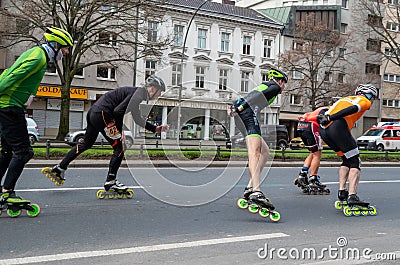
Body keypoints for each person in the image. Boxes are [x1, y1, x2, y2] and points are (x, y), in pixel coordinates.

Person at [44, 75, 169, 194]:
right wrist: (121, 132)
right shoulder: (138, 95)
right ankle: (111, 181)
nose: (159, 95)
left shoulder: (137, 94)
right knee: (120, 147)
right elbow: (117, 112)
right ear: (152, 88)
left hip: (94, 113)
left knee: (86, 144)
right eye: (159, 92)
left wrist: (156, 128)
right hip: (104, 114)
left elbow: (137, 118)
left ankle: (60, 168)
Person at [0, 27, 73, 207]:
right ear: (55, 44)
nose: (67, 52)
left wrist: (30, 95)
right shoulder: (38, 57)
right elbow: (12, 76)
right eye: (65, 48)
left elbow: (22, 76)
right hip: (9, 106)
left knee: (8, 151)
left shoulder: (38, 54)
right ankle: (7, 193)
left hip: (11, 105)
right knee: (24, 152)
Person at [230, 67, 288, 211]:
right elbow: (257, 96)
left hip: (243, 114)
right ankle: (256, 190)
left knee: (265, 151)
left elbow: (253, 94)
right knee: (255, 152)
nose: (284, 87)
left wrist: (237, 106)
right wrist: (240, 107)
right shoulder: (274, 86)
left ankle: (250, 187)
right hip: (248, 114)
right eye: (284, 83)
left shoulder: (267, 85)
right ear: (280, 81)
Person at [317, 84, 378, 205]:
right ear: (369, 94)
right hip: (337, 126)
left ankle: (342, 191)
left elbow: (323, 111)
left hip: (324, 130)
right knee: (355, 161)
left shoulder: (344, 99)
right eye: (373, 98)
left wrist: (325, 117)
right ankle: (352, 196)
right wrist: (331, 117)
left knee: (346, 159)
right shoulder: (364, 101)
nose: (372, 101)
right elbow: (353, 109)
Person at [294, 107, 330, 195]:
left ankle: (302, 174)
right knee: (317, 153)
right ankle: (313, 178)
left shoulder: (320, 109)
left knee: (312, 152)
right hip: (311, 126)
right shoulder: (329, 109)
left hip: (302, 125)